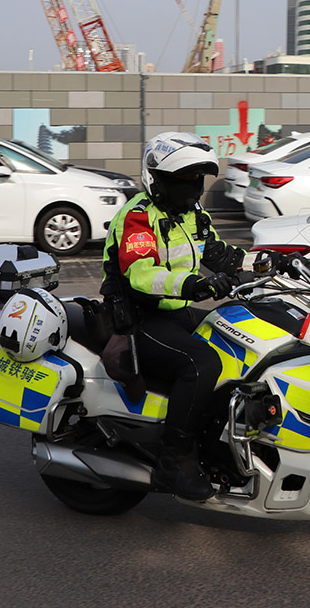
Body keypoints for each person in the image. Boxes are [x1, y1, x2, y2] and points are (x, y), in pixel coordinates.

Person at [100, 132, 246, 501]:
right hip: (137, 318)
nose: (192, 185)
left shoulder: (192, 214)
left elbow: (219, 253)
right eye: (182, 177)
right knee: (201, 364)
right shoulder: (137, 217)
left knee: (239, 342)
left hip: (175, 312)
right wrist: (194, 286)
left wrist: (266, 262)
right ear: (155, 176)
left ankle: (218, 442)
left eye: (197, 177)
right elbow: (141, 274)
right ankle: (173, 460)